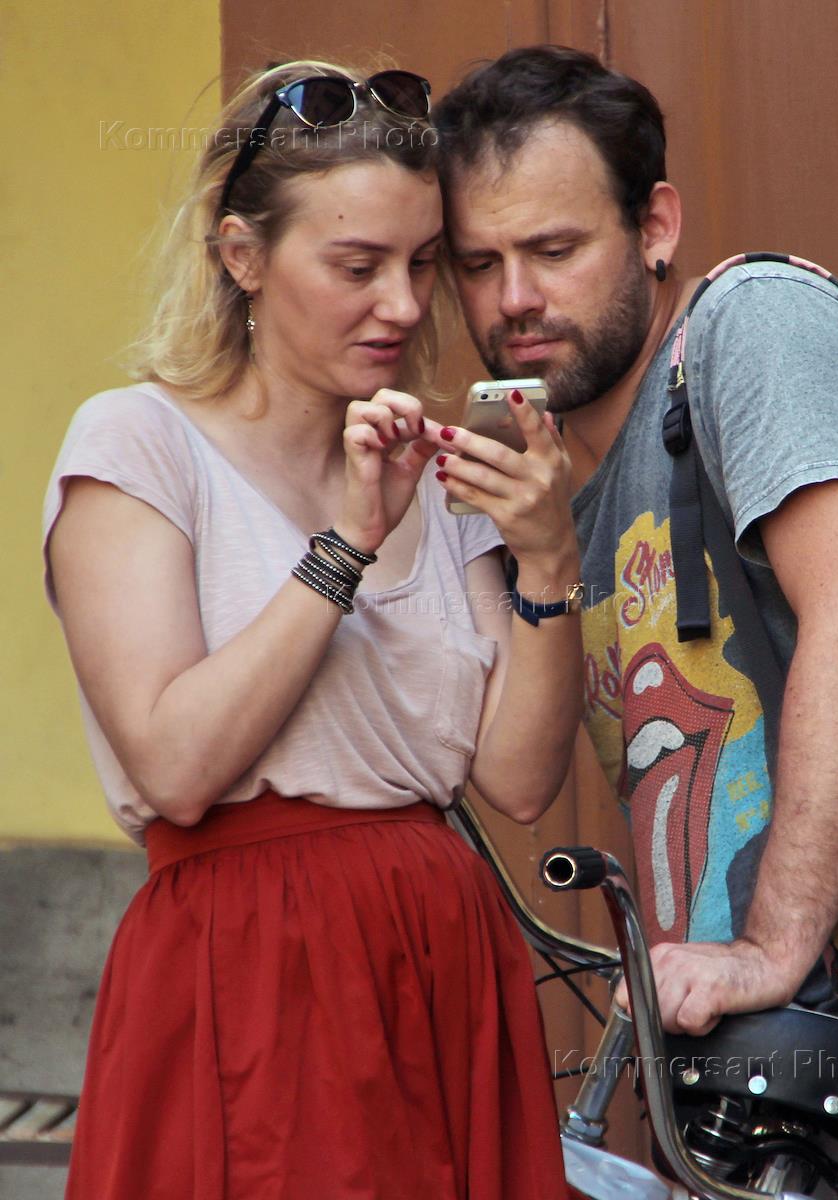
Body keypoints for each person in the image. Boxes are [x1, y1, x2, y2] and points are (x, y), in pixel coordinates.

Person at [433, 43, 838, 1192]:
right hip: (808, 1084)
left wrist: (768, 948)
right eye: (479, 263)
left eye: (555, 249)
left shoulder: (754, 322)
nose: (515, 299)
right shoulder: (548, 499)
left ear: (655, 226)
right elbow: (519, 784)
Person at [43, 59, 581, 1200]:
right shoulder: (139, 443)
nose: (404, 306)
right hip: (256, 963)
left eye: (422, 263)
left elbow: (520, 781)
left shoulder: (431, 466)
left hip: (444, 959)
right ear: (242, 256)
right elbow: (176, 765)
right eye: (357, 266)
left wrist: (547, 561)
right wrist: (345, 545)